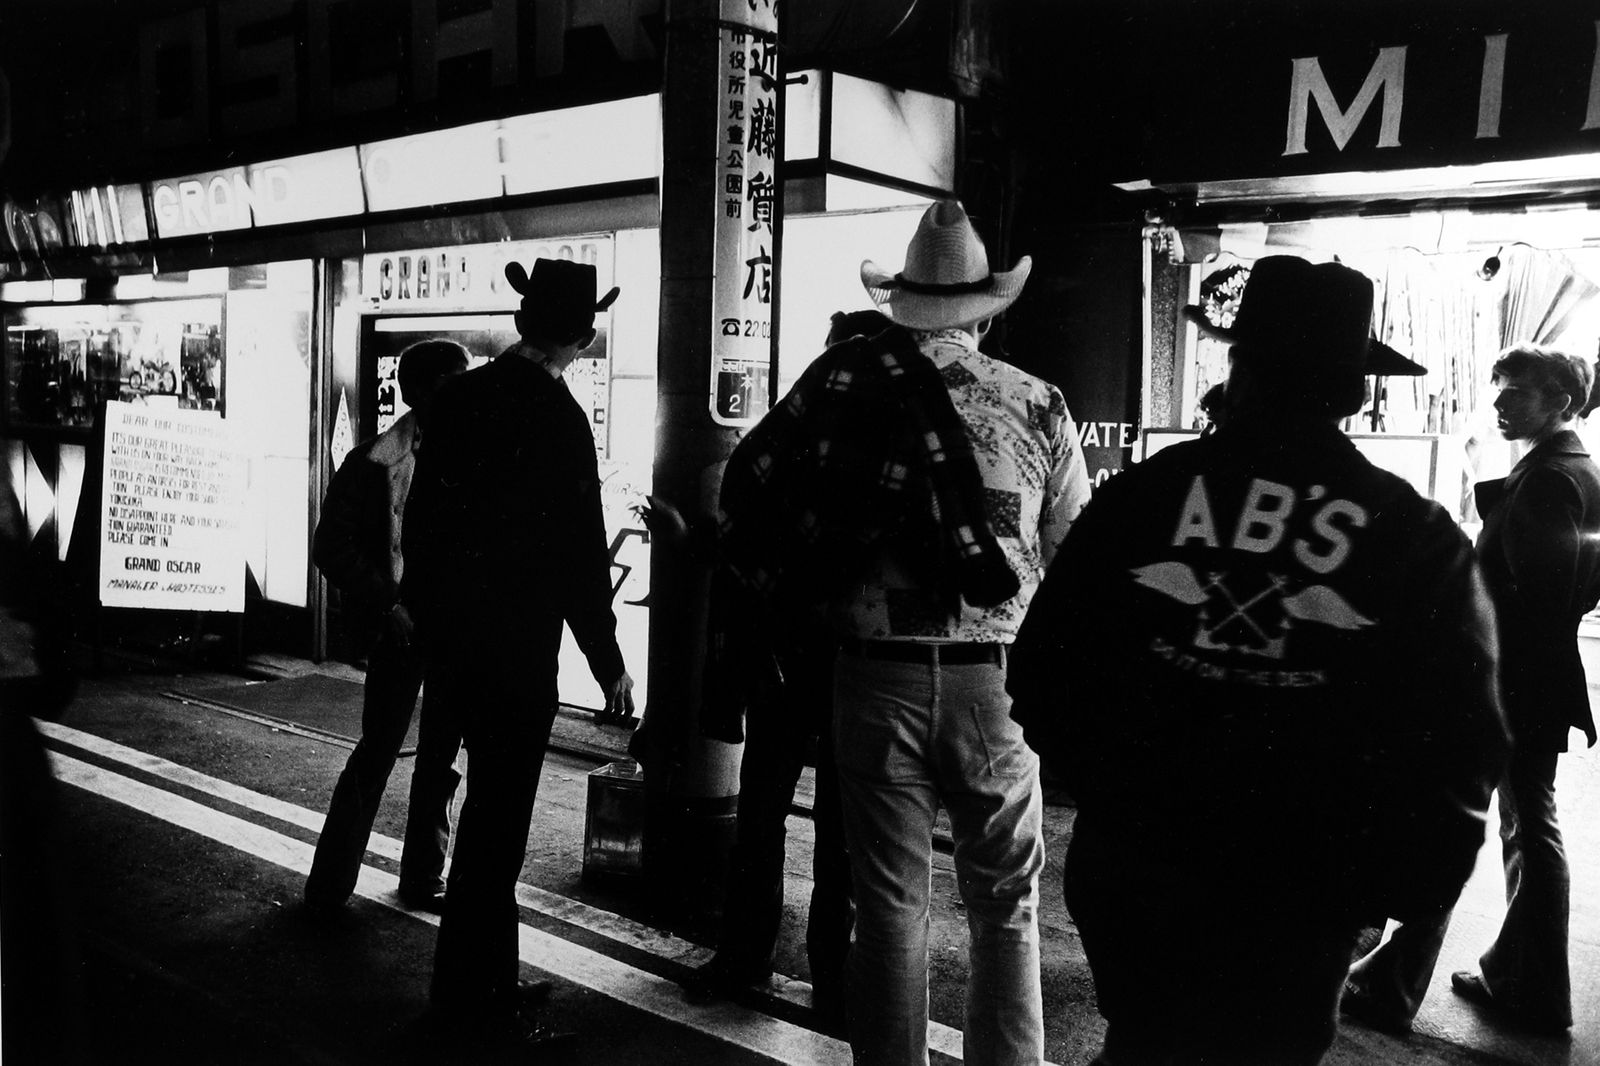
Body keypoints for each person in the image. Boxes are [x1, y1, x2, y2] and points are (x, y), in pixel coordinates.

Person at [1010, 256, 1508, 1066]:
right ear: (1355, 391)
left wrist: (1119, 793)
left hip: (1138, 871)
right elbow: (1462, 742)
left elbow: (1042, 674)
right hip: (1304, 892)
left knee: (1143, 1042)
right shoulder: (1413, 537)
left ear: (1238, 369)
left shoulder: (1142, 500)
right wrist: (1400, 887)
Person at [718, 200, 1090, 1063]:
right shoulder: (1036, 403)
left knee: (888, 904)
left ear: (904, 300)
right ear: (988, 309)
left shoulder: (841, 381)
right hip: (995, 685)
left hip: (872, 674)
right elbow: (1071, 551)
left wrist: (797, 585)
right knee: (1007, 903)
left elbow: (752, 484)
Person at [400, 258, 635, 1051]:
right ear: (586, 335)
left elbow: (421, 525)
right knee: (498, 826)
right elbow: (579, 555)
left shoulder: (461, 396)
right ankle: (473, 1003)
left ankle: (484, 984)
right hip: (519, 654)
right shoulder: (562, 419)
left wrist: (431, 622)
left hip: (455, 646)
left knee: (479, 822)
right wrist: (608, 663)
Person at [675, 308, 890, 1021]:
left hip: (800, 662)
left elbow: (749, 536)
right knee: (829, 831)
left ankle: (759, 960)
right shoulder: (878, 455)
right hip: (832, 666)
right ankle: (826, 976)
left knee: (777, 821)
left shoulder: (798, 449)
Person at [304, 339, 468, 917]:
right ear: (419, 391)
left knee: (441, 755)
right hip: (399, 626)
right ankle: (328, 886)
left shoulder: (471, 455)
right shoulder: (374, 460)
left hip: (451, 628)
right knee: (378, 751)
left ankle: (424, 875)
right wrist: (386, 602)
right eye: (452, 381)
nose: (462, 390)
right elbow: (331, 545)